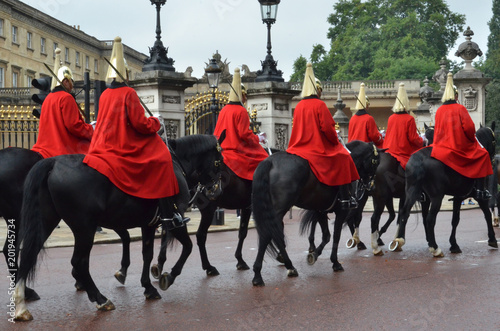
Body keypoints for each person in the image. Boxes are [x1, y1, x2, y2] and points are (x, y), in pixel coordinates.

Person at [83, 36, 188, 228]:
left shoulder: (105, 94)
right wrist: (156, 122)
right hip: (124, 144)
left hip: (102, 144)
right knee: (163, 157)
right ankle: (167, 215)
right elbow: (140, 124)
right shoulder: (128, 93)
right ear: (126, 74)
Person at [286, 63, 359, 209]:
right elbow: (327, 128)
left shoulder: (299, 106)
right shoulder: (319, 105)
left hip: (297, 148)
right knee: (344, 157)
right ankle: (346, 199)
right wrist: (335, 139)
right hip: (316, 148)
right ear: (318, 90)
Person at [431, 72, 493, 200]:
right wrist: (471, 140)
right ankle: (481, 190)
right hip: (457, 145)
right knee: (483, 154)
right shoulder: (460, 108)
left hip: (440, 146)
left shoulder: (439, 110)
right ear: (456, 96)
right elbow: (469, 129)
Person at [213, 68, 268, 181]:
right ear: (242, 95)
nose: (246, 99)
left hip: (221, 150)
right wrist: (258, 138)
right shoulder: (241, 110)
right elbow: (244, 135)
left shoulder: (224, 110)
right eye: (245, 96)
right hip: (236, 152)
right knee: (265, 159)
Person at [31, 66, 93, 158]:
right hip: (61, 148)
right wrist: (92, 130)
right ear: (66, 81)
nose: (72, 86)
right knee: (92, 153)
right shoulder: (66, 97)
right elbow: (74, 125)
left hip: (44, 147)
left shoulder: (48, 98)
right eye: (71, 81)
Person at [383, 83, 425, 170]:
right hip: (403, 153)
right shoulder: (409, 119)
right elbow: (413, 139)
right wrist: (422, 141)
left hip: (389, 151)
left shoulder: (391, 118)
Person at [348, 83, 384, 148]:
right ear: (366, 105)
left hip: (352, 149)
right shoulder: (369, 118)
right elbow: (374, 137)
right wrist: (381, 138)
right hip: (364, 149)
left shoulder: (352, 118)